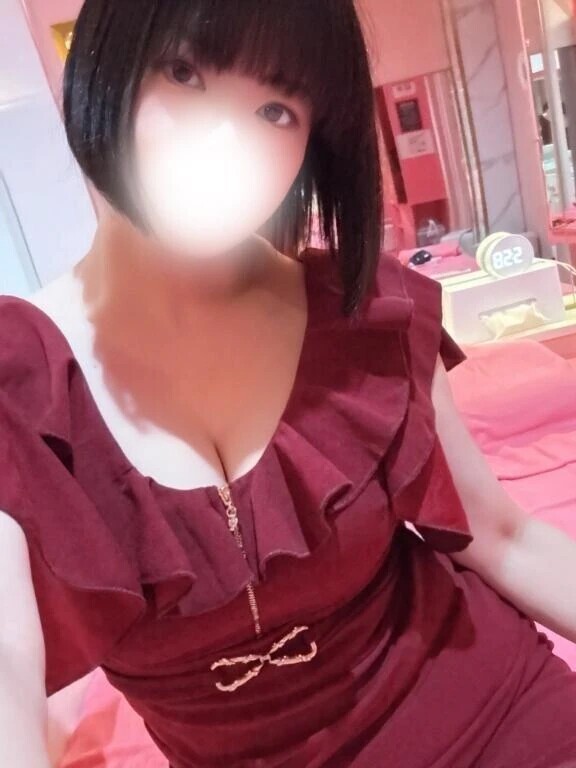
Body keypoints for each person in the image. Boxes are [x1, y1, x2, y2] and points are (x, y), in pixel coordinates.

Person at [1, 2, 576, 767]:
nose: (224, 142)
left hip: (500, 718)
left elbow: (504, 538)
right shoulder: (17, 382)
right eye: (184, 72)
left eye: (276, 110)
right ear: (106, 69)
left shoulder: (364, 314)